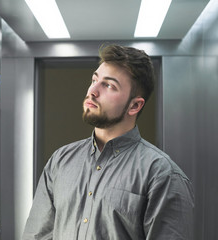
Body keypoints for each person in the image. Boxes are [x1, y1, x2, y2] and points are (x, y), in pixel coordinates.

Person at [22, 44, 194, 240]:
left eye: (109, 85)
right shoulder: (60, 161)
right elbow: (37, 236)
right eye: (94, 80)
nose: (93, 91)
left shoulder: (162, 174)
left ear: (134, 105)